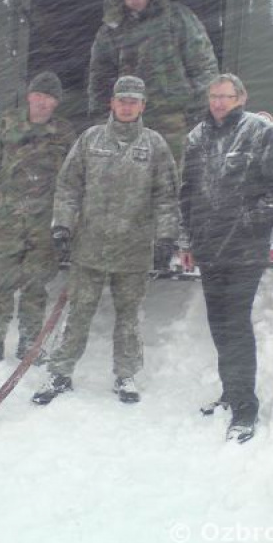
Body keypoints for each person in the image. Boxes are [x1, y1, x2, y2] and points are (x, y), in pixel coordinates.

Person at [32, 75, 179, 406]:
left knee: (128, 318)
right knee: (79, 313)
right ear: (112, 103)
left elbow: (167, 196)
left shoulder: (154, 145)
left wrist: (166, 236)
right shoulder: (91, 140)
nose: (127, 106)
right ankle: (60, 372)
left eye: (134, 101)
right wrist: (62, 227)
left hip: (134, 249)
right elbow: (69, 186)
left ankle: (125, 375)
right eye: (122, 100)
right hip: (91, 247)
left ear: (143, 106)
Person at [179, 73, 273, 442]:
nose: (218, 102)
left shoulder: (260, 132)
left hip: (245, 249)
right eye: (214, 96)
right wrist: (188, 241)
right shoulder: (197, 137)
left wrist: (247, 221)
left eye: (226, 96)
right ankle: (231, 393)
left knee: (236, 323)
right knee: (219, 324)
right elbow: (187, 194)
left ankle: (246, 407)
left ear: (241, 98)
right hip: (210, 249)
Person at [0, 71, 75, 374]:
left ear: (56, 102)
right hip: (9, 217)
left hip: (43, 221)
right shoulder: (7, 124)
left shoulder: (64, 132)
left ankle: (29, 343)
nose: (43, 102)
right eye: (39, 95)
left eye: (49, 97)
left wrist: (73, 214)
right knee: (2, 283)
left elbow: (74, 176)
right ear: (30, 96)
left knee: (36, 285)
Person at [87, 0, 218, 164]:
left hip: (172, 118)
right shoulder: (111, 31)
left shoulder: (177, 19)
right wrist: (101, 117)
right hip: (127, 119)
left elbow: (202, 66)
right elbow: (100, 77)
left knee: (173, 179)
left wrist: (201, 111)